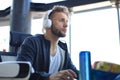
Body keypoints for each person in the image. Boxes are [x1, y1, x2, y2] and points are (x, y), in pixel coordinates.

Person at [16, 5, 78, 80]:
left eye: (67, 21)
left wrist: (91, 71)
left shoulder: (63, 49)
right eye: (61, 20)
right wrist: (49, 77)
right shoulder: (32, 43)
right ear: (48, 23)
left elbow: (74, 72)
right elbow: (23, 72)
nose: (66, 25)